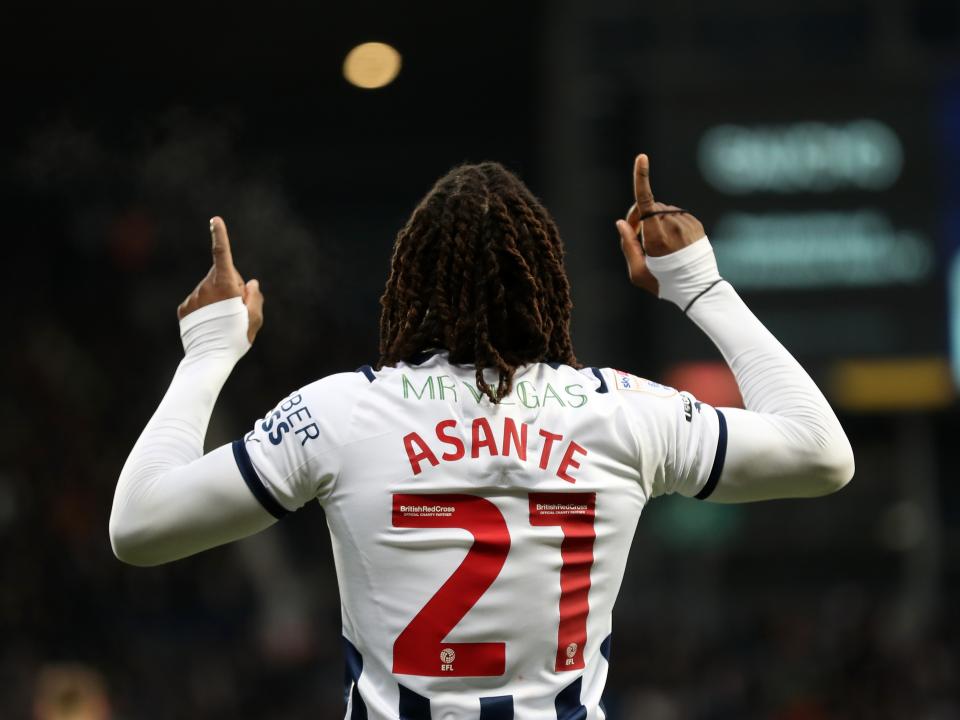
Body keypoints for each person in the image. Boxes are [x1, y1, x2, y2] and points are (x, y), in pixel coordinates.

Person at [109, 154, 854, 719]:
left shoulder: (340, 414)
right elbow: (823, 454)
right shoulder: (624, 411)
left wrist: (210, 351)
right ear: (547, 282)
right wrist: (699, 284)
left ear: (409, 284)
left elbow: (138, 527)